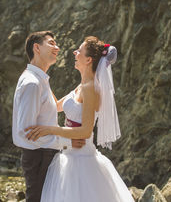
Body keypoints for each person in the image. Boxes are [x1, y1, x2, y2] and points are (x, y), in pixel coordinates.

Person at [25, 36, 135, 202]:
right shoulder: (81, 86)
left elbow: (85, 131)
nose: (75, 53)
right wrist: (42, 76)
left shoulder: (91, 88)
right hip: (67, 155)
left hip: (82, 161)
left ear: (88, 59)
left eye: (79, 51)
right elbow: (56, 105)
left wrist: (49, 129)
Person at [12, 31, 86, 202]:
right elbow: (26, 132)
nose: (57, 48)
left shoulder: (41, 80)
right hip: (38, 156)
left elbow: (57, 107)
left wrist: (83, 85)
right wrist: (67, 142)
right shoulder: (32, 83)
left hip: (44, 154)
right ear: (36, 48)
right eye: (51, 43)